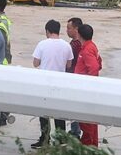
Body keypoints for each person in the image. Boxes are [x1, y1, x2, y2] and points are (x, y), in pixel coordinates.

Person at [31, 19, 74, 149]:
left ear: (47, 31)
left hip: (44, 82)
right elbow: (69, 64)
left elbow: (36, 63)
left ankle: (44, 139)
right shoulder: (66, 45)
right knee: (59, 112)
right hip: (59, 82)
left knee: (43, 113)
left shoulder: (42, 44)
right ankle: (61, 139)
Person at [74, 24, 102, 147]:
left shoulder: (86, 50)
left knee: (86, 121)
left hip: (85, 90)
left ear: (79, 34)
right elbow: (99, 63)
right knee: (91, 120)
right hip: (87, 89)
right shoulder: (91, 46)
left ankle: (87, 145)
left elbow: (95, 68)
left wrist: (87, 84)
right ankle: (92, 145)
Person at [65, 17, 83, 139]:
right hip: (77, 77)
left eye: (69, 28)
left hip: (74, 78)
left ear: (76, 29)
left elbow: (69, 63)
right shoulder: (80, 43)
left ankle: (75, 131)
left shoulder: (74, 46)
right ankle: (75, 130)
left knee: (73, 106)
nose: (67, 31)